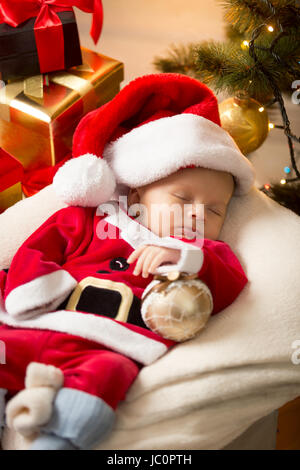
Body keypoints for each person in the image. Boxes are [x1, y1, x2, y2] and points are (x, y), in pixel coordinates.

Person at [0, 73, 255, 450]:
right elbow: (39, 248)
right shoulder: (94, 219)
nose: (199, 214)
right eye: (183, 199)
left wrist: (183, 258)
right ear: (138, 192)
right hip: (36, 318)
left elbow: (228, 281)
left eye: (215, 210)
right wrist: (34, 290)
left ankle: (59, 435)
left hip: (107, 343)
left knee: (109, 374)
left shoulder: (204, 254)